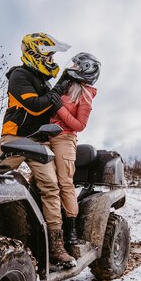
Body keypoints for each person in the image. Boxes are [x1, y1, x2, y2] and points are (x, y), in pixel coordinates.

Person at [0, 32, 76, 268]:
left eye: (52, 55)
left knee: (50, 187)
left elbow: (51, 110)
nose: (52, 59)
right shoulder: (19, 75)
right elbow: (34, 106)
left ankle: (55, 245)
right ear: (35, 54)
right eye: (49, 55)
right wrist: (58, 88)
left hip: (38, 141)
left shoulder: (43, 81)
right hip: (14, 137)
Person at [48, 52, 101, 244]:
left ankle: (70, 231)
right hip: (46, 136)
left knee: (64, 182)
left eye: (77, 65)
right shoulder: (65, 85)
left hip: (65, 139)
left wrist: (59, 108)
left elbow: (80, 125)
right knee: (43, 182)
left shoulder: (85, 95)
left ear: (86, 69)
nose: (73, 67)